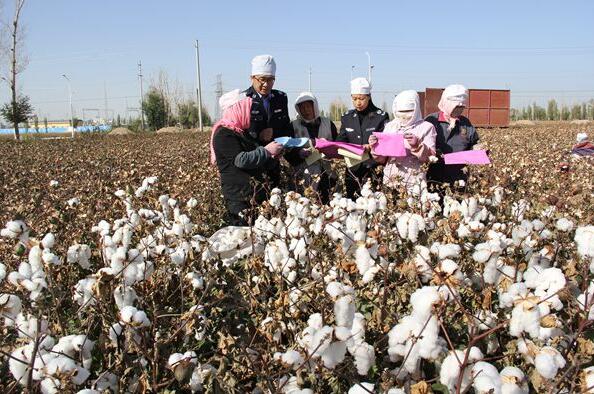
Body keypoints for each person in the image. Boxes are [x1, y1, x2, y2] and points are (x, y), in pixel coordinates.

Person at [211, 89, 284, 226]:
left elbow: (256, 161)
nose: (250, 116)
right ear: (238, 110)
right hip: (239, 199)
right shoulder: (224, 134)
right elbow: (241, 160)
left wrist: (273, 157)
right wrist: (267, 151)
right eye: (248, 111)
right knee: (244, 238)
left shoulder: (242, 133)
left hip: (253, 196)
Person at [371, 90, 436, 192]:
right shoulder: (390, 126)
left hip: (414, 183)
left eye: (408, 112)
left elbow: (431, 158)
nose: (404, 116)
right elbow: (381, 159)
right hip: (390, 181)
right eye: (400, 112)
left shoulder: (426, 127)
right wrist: (376, 147)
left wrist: (418, 145)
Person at [337, 77, 389, 199]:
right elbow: (341, 140)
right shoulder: (347, 117)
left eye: (361, 99)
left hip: (373, 169)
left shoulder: (380, 117)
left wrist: (371, 147)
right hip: (352, 171)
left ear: (369, 96)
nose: (358, 103)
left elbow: (385, 143)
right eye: (354, 99)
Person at [425, 84, 480, 191]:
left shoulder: (465, 123)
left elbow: (474, 142)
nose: (459, 110)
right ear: (447, 103)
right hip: (435, 176)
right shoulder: (431, 121)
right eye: (456, 106)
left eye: (462, 107)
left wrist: (478, 148)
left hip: (459, 176)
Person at [291, 92, 338, 203]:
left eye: (308, 106)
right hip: (305, 174)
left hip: (327, 173)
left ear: (315, 107)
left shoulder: (328, 124)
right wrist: (298, 153)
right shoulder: (293, 126)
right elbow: (288, 151)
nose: (306, 110)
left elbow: (338, 144)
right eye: (302, 107)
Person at [244, 54, 293, 139]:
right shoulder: (244, 99)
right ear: (252, 78)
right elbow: (240, 134)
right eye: (262, 79)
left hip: (279, 149)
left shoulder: (281, 97)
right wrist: (259, 136)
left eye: (270, 79)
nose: (266, 84)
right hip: (254, 150)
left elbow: (286, 127)